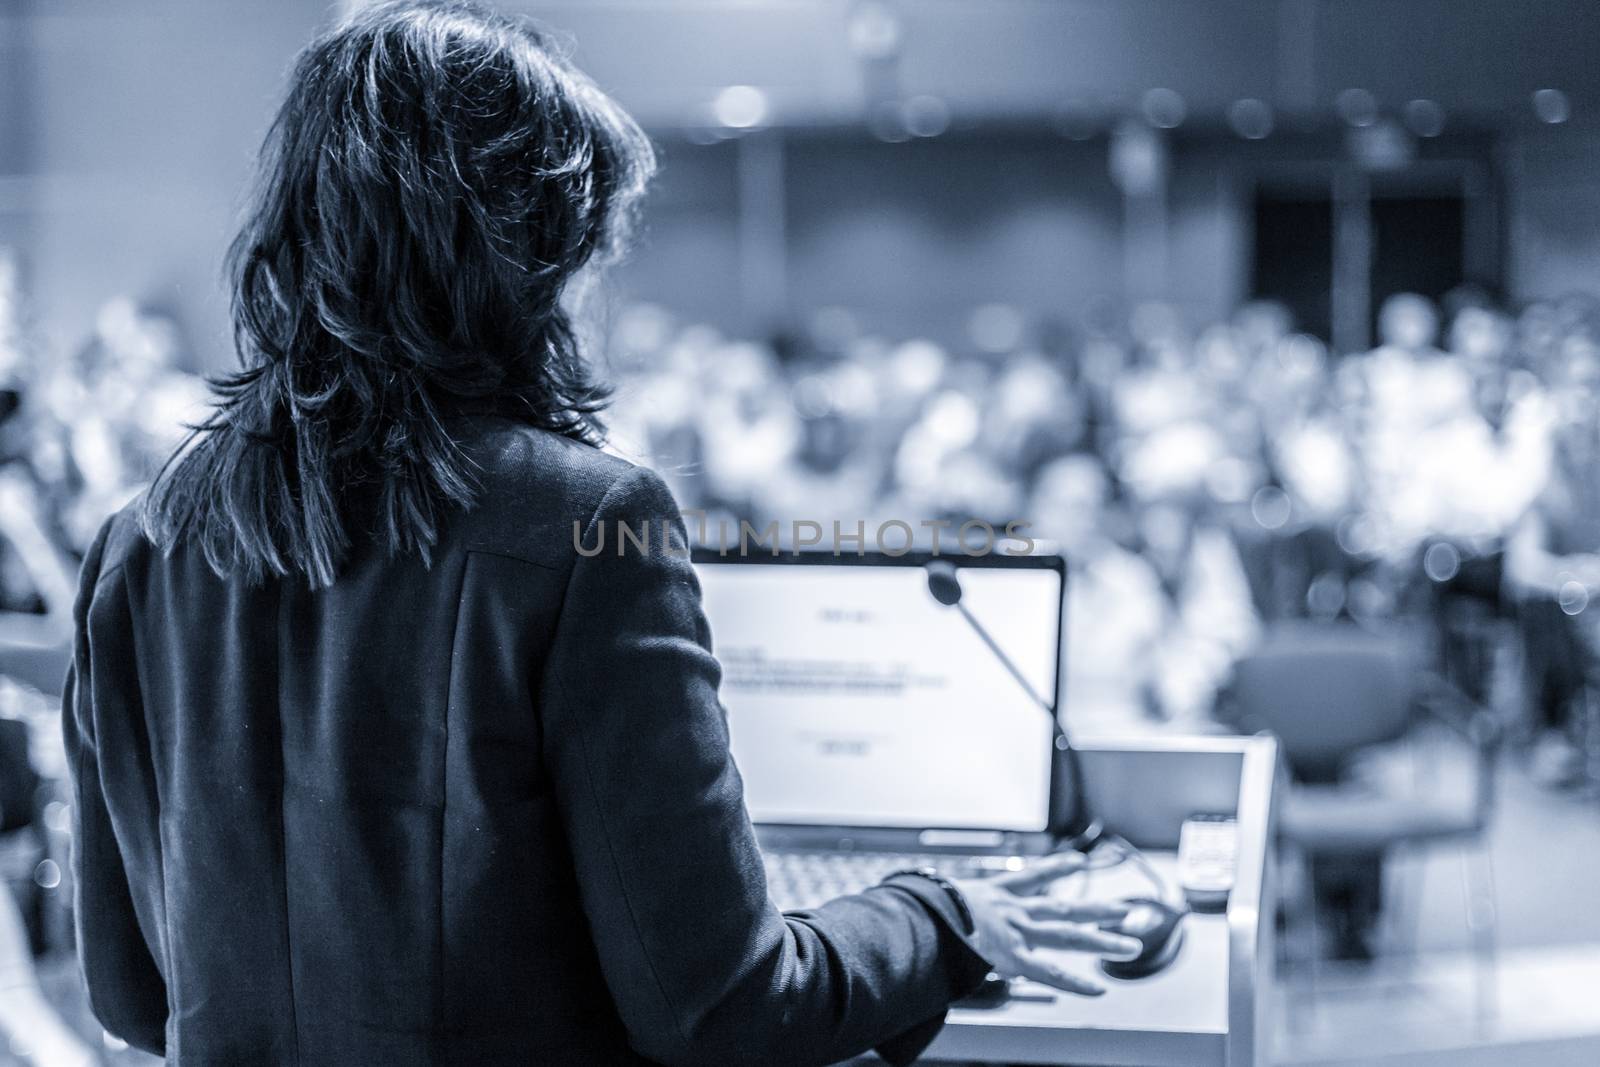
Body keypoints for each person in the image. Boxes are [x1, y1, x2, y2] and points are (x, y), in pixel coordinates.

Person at [62, 4, 1140, 1065]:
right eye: (584, 253)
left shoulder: (136, 541)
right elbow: (725, 1011)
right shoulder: (590, 526)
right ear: (521, 262)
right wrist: (937, 916)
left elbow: (128, 992)